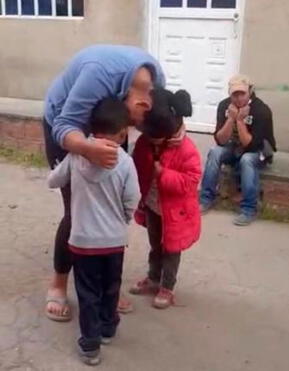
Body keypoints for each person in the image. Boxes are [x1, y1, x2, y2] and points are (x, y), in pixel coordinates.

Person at [43, 44, 167, 321]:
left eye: (130, 131)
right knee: (76, 211)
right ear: (138, 103)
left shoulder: (155, 84)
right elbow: (64, 126)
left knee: (109, 210)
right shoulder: (99, 75)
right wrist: (87, 149)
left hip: (108, 125)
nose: (132, 133)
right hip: (66, 123)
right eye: (134, 126)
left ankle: (107, 288)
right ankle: (59, 284)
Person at [47, 98, 140, 366]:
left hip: (83, 243)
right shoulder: (125, 162)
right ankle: (108, 328)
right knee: (111, 286)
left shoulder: (77, 156)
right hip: (113, 241)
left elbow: (53, 181)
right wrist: (121, 220)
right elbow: (132, 198)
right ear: (123, 132)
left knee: (87, 293)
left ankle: (90, 346)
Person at [130, 88, 202, 309]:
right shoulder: (145, 142)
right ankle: (153, 278)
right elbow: (135, 167)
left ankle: (167, 287)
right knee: (155, 245)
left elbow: (191, 181)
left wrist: (164, 175)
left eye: (155, 137)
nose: (151, 140)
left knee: (171, 249)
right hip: (152, 205)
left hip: (175, 212)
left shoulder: (186, 149)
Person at [199, 74, 277, 226]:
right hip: (234, 147)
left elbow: (252, 146)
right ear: (230, 94)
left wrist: (240, 121)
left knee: (247, 160)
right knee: (214, 152)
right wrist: (230, 119)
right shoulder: (224, 106)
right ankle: (206, 199)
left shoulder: (261, 110)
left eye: (242, 93)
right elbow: (220, 140)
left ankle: (249, 209)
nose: (239, 98)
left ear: (250, 91)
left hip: (261, 149)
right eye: (235, 94)